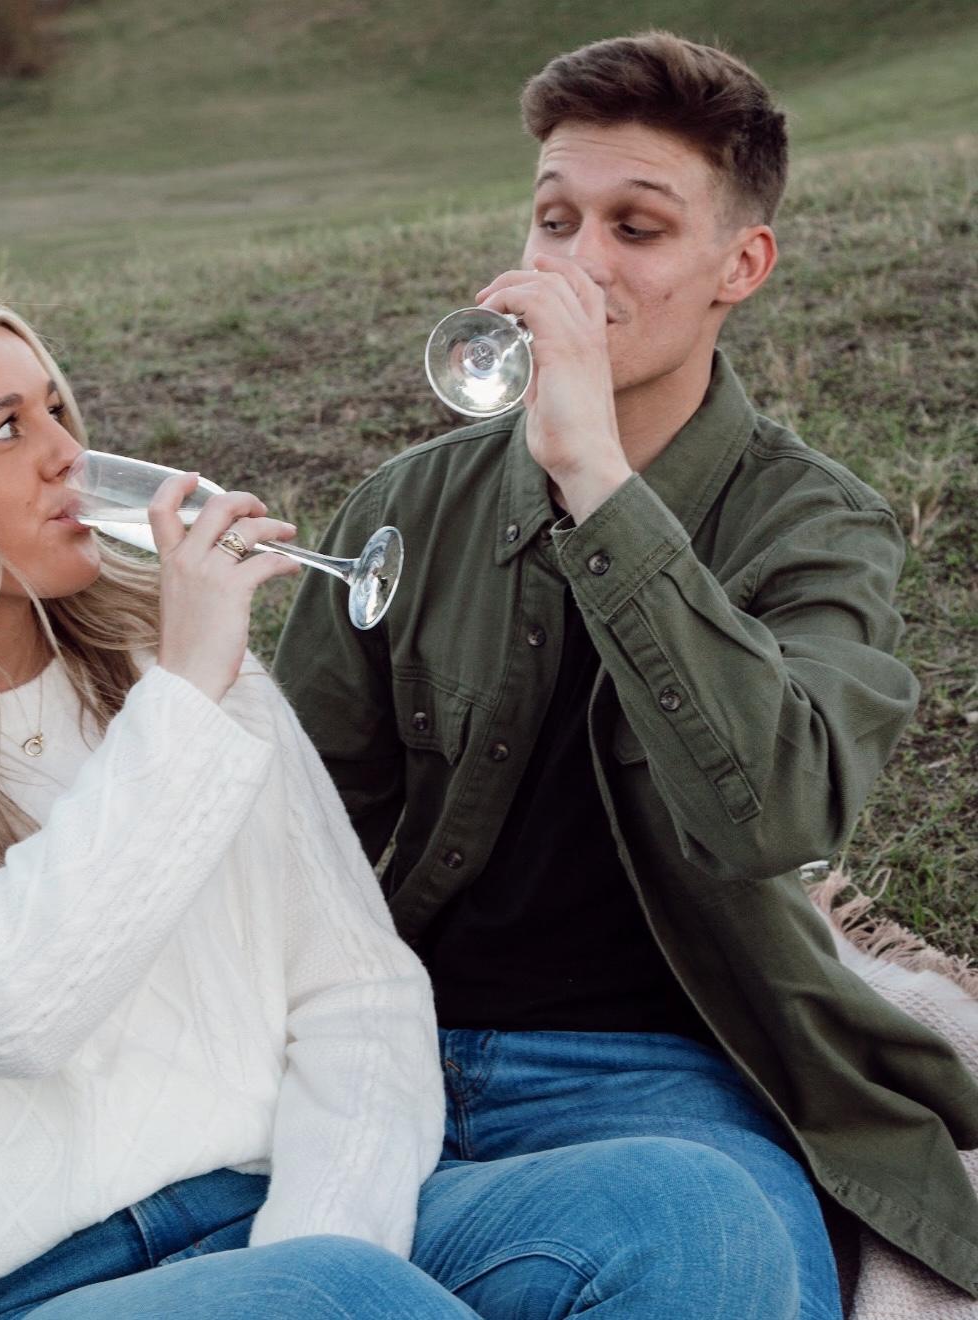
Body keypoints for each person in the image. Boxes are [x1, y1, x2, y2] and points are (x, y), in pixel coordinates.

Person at [273, 30, 978, 1318]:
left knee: (730, 1262)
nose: (577, 264)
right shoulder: (406, 504)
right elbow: (298, 826)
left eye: (636, 229)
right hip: (386, 1043)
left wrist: (597, 479)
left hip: (659, 1069)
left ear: (740, 266)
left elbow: (779, 810)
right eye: (555, 221)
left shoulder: (815, 525)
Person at [0, 294, 476, 1320]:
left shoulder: (180, 672)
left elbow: (358, 991)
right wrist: (184, 696)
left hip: (278, 1222)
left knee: (660, 1207)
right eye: (6, 429)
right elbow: (4, 1009)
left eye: (57, 410)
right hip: (12, 1286)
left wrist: (321, 1238)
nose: (67, 454)